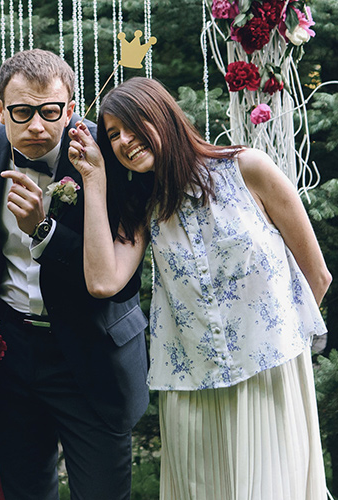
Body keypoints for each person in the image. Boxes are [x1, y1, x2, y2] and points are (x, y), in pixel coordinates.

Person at [68, 76, 330, 500]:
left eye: (134, 125)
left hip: (267, 379)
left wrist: (278, 348)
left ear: (164, 117)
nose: (124, 141)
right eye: (113, 135)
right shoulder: (143, 209)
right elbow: (102, 281)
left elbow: (316, 275)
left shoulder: (249, 169)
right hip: (191, 392)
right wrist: (95, 179)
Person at [0, 48, 149, 500]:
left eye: (50, 113)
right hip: (9, 351)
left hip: (90, 351)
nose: (36, 127)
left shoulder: (109, 152)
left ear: (70, 109)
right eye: (21, 112)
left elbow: (113, 271)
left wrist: (43, 231)